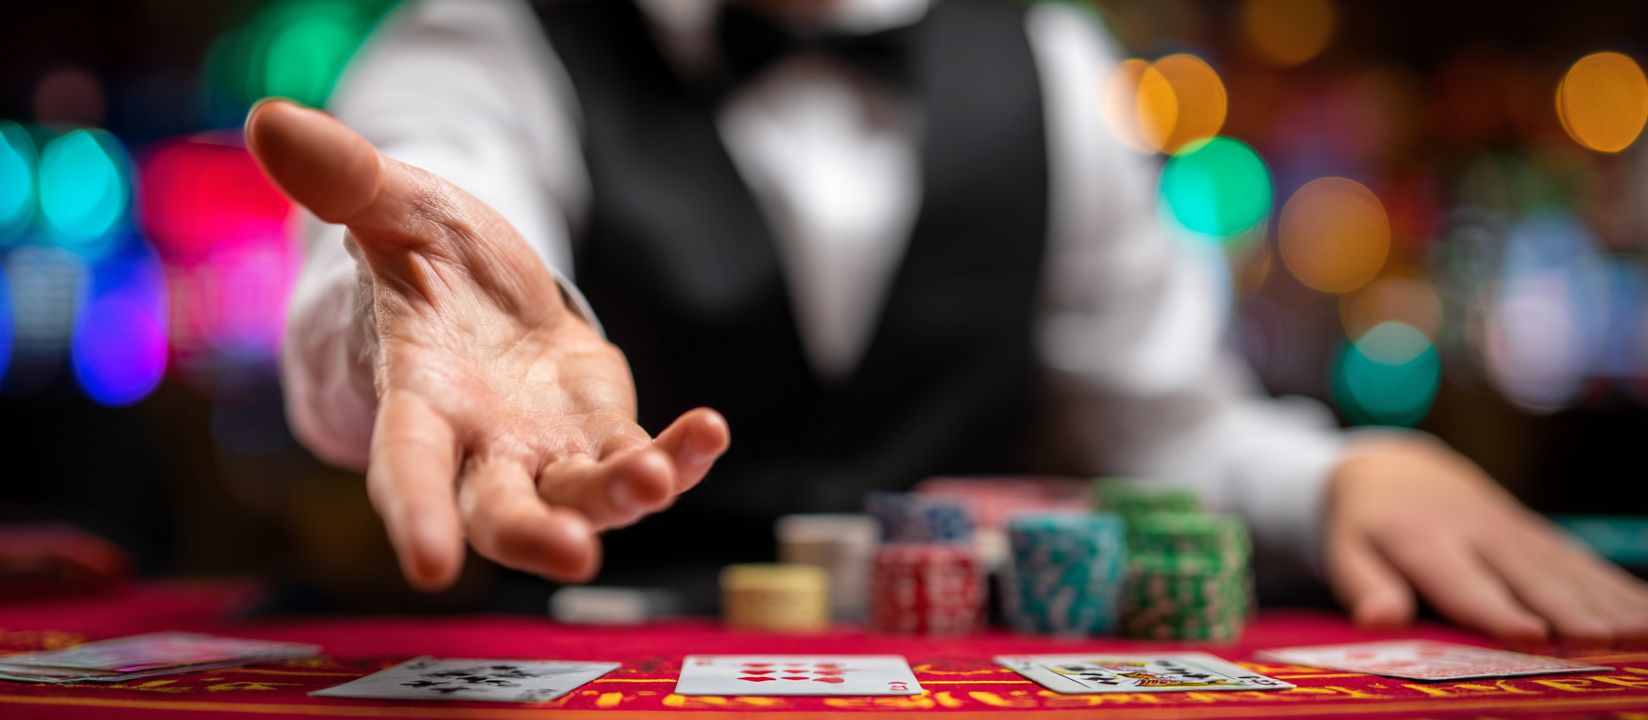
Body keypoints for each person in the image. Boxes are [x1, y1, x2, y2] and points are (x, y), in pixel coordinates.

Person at [247, 0, 1648, 643]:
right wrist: (391, 319)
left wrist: (1335, 475)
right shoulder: (479, 38)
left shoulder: (1055, 60)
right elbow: (412, 242)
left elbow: (1160, 430)